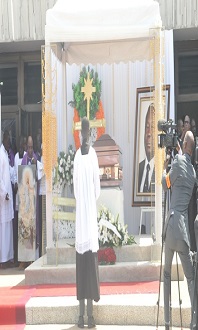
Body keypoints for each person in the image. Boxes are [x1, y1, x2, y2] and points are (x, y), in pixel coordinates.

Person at [161, 130, 196, 330]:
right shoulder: (192, 174)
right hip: (183, 234)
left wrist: (167, 166)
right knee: (190, 278)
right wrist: (181, 152)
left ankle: (167, 321)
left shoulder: (177, 162)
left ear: (182, 142)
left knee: (166, 275)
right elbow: (183, 173)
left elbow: (166, 184)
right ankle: (194, 321)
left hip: (170, 228)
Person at [73, 117, 101, 329]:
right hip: (89, 219)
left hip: (82, 222)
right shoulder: (92, 155)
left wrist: (83, 201)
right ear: (89, 132)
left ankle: (81, 317)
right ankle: (90, 318)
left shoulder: (76, 156)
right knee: (90, 266)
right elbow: (97, 190)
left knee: (81, 268)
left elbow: (75, 191)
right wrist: (90, 201)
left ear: (80, 133)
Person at [19, 136, 38, 269]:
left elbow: (37, 177)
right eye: (28, 147)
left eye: (32, 147)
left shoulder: (36, 158)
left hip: (32, 202)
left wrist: (35, 164)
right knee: (24, 229)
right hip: (24, 202)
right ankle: (23, 259)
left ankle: (32, 258)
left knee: (32, 230)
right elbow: (21, 176)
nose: (30, 150)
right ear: (26, 147)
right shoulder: (23, 159)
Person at [0, 130, 14, 268]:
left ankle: (8, 257)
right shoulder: (0, 154)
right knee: (3, 230)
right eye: (8, 139)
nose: (9, 141)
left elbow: (9, 171)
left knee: (7, 228)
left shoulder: (5, 153)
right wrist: (4, 193)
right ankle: (2, 259)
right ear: (3, 139)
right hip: (3, 199)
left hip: (8, 198)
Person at [12, 136, 26, 265]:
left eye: (24, 144)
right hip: (19, 195)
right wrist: (16, 182)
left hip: (27, 197)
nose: (22, 146)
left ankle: (27, 258)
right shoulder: (16, 156)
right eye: (20, 143)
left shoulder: (28, 156)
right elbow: (15, 174)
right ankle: (19, 258)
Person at [138, 103, 155, 193]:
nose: (148, 133)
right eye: (147, 127)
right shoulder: (138, 169)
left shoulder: (162, 169)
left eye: (152, 127)